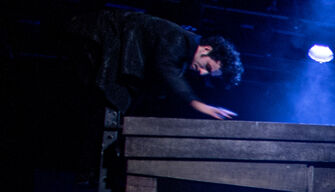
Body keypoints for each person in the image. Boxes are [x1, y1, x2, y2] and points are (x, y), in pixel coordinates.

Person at [65, 10, 243, 120]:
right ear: (206, 49)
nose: (202, 73)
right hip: (94, 39)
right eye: (207, 67)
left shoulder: (181, 59)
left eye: (208, 74)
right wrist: (196, 103)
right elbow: (166, 68)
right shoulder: (180, 39)